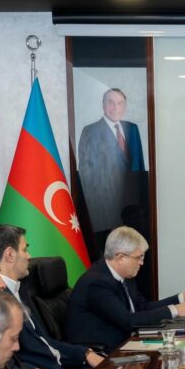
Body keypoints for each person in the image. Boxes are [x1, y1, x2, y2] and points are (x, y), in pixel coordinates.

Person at [0, 224, 105, 369]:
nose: (29, 256)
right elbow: (9, 361)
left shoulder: (21, 289)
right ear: (10, 255)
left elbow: (44, 342)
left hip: (63, 367)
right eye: (25, 250)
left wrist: (85, 353)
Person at [65, 226, 185, 352]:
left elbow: (142, 307)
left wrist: (181, 298)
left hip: (126, 342)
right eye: (139, 257)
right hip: (103, 352)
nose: (142, 263)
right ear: (120, 257)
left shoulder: (125, 276)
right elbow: (127, 320)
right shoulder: (96, 283)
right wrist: (175, 310)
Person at [77, 88, 146, 251]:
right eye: (111, 102)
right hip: (105, 211)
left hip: (132, 209)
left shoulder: (132, 129)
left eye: (120, 103)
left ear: (125, 106)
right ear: (103, 105)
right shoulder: (90, 131)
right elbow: (86, 173)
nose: (115, 107)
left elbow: (139, 165)